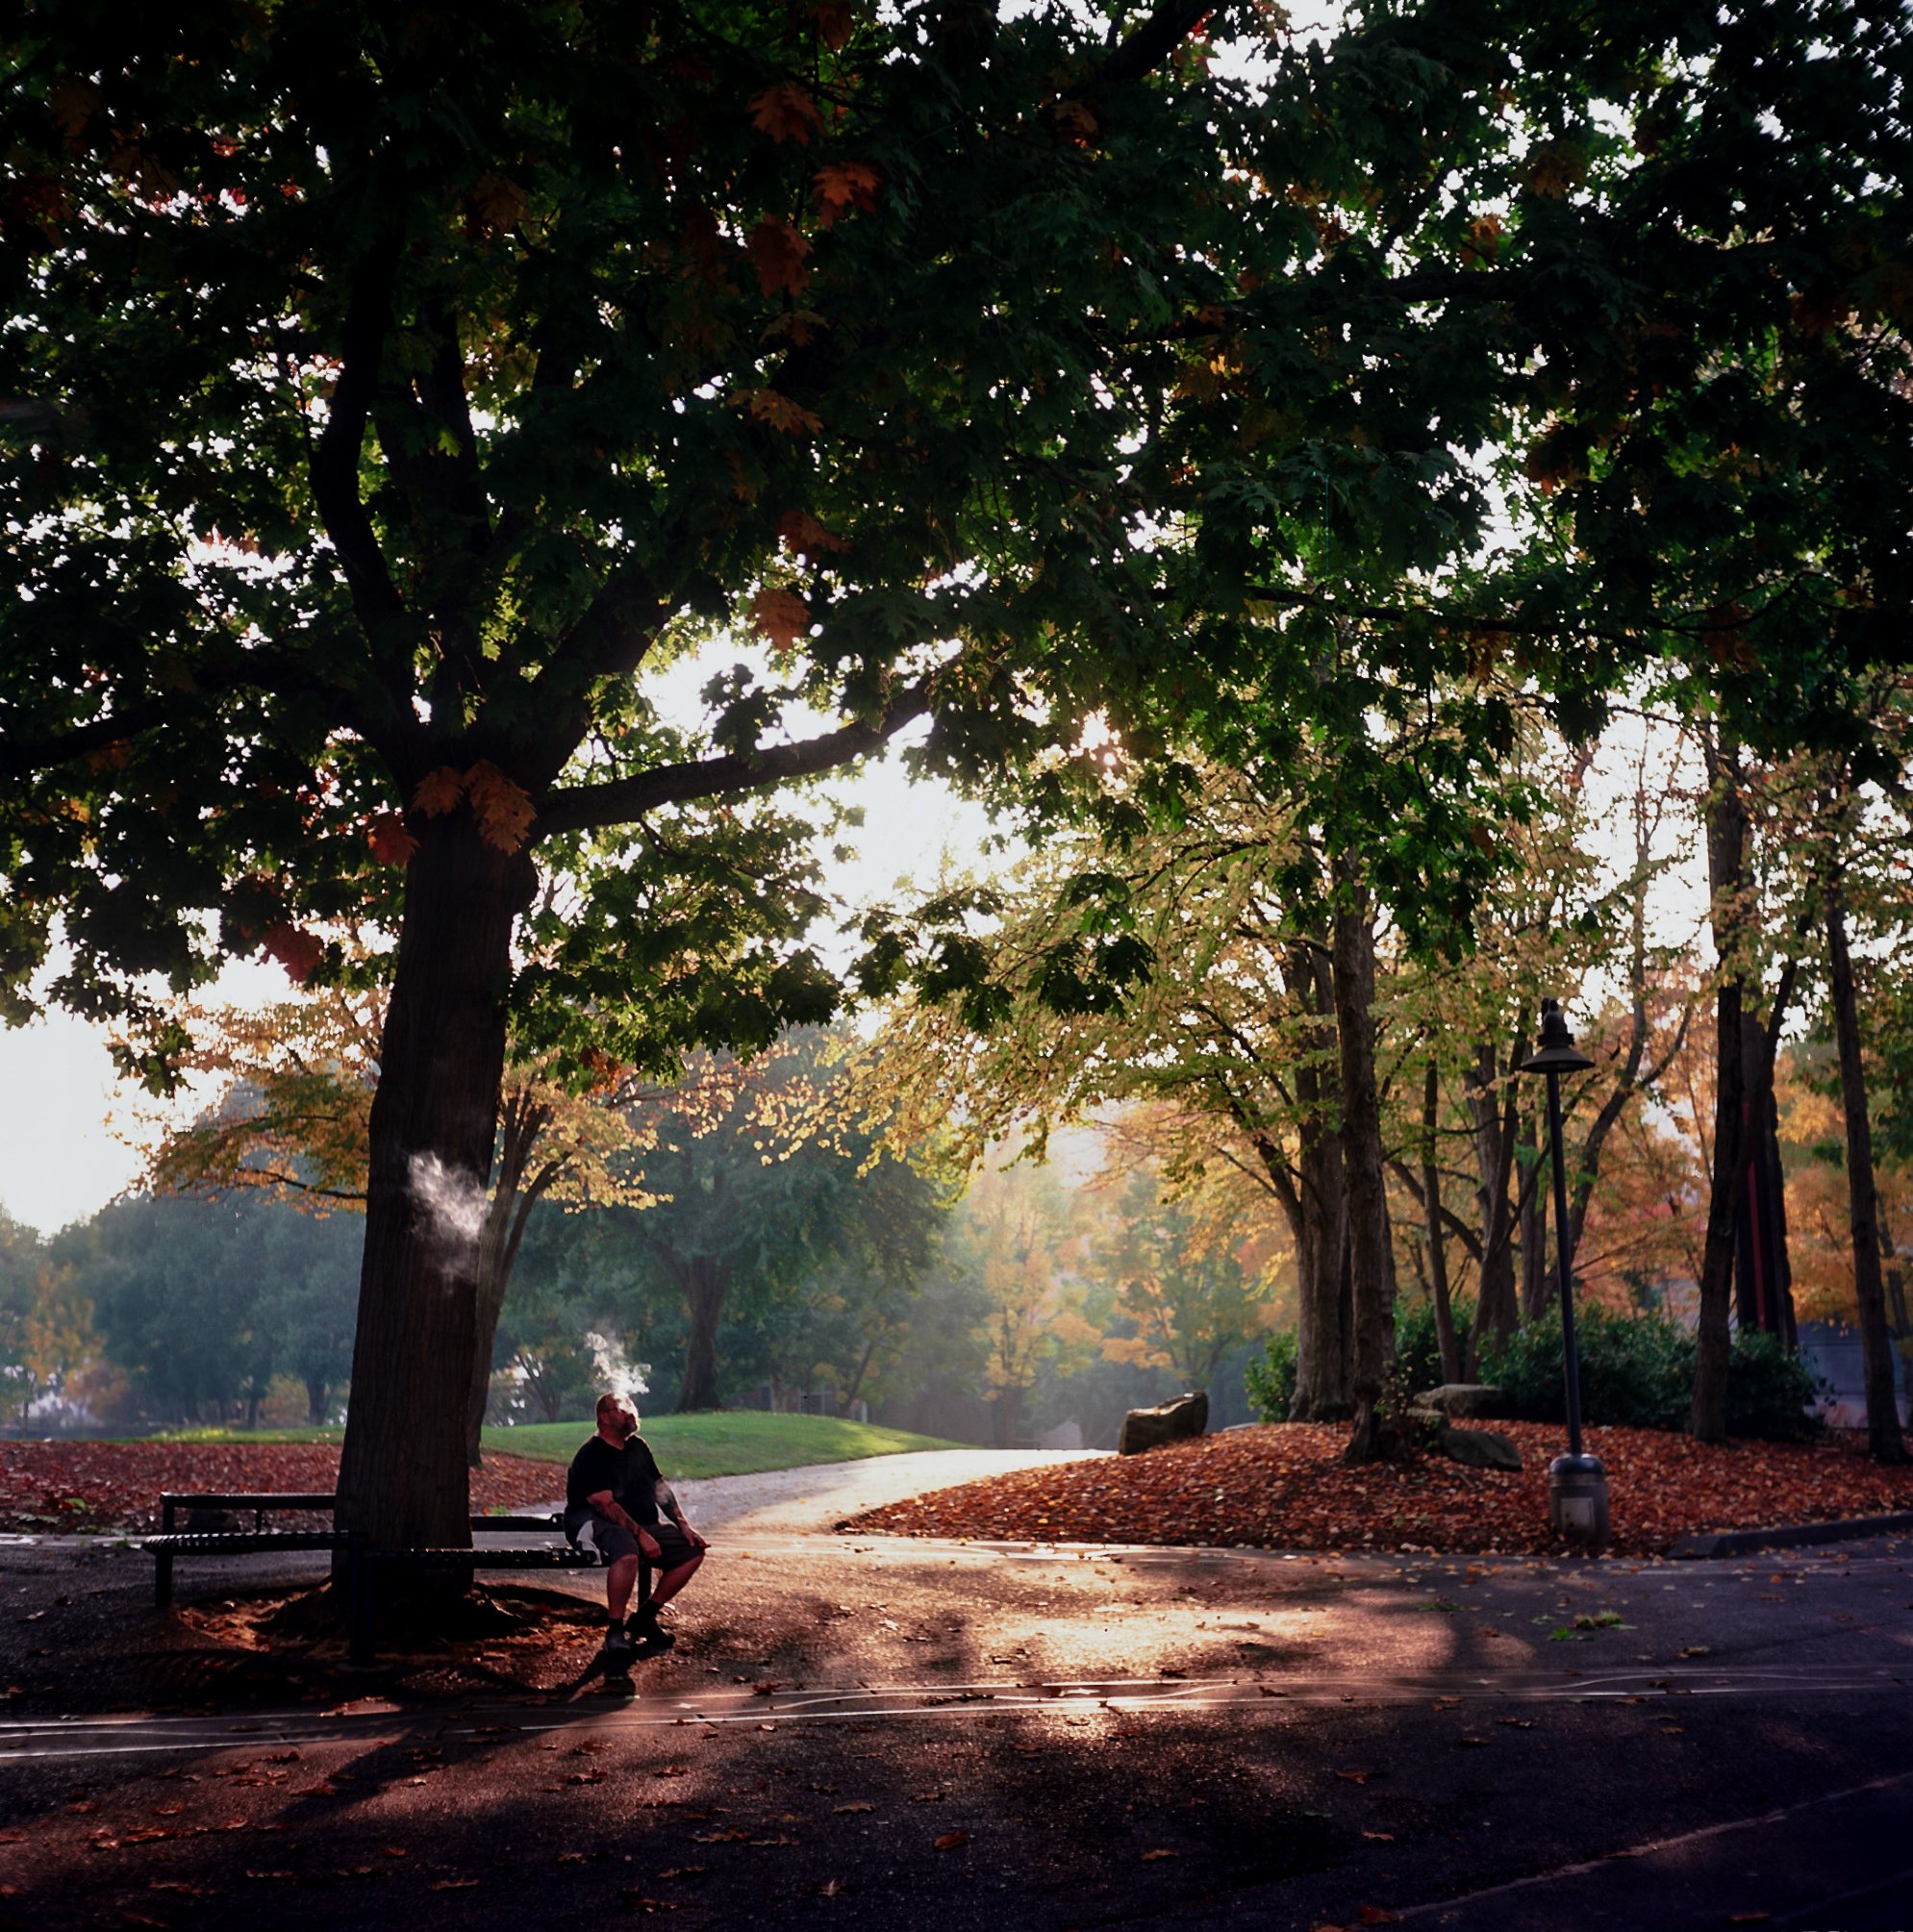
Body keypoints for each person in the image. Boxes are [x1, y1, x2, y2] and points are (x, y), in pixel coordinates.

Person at [565, 1392, 707, 1655]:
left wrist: (683, 1525)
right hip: (593, 1523)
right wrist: (642, 1535)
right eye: (622, 1408)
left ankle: (645, 1617)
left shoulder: (637, 1447)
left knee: (692, 1551)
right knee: (627, 1551)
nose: (631, 1412)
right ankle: (615, 1631)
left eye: (631, 1406)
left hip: (641, 1527)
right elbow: (603, 1504)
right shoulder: (591, 1454)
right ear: (604, 1417)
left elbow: (659, 1488)